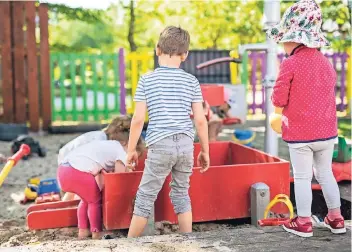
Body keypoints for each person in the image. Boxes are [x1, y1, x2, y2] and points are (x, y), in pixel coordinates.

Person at [267, 0, 346, 238]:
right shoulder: (326, 64)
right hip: (327, 133)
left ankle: (303, 222)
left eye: (284, 38)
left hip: (301, 135)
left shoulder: (290, 64)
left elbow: (279, 98)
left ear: (296, 38)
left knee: (302, 176)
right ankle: (336, 218)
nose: (281, 44)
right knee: (325, 174)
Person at [126, 26, 210, 238]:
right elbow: (200, 120)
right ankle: (188, 242)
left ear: (157, 49)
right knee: (182, 193)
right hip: (185, 144)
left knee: (145, 196)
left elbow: (137, 120)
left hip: (160, 144)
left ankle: (129, 245)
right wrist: (205, 151)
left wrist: (131, 150)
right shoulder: (192, 81)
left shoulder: (146, 80)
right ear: (185, 55)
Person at [57, 116, 145, 239]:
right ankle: (96, 232)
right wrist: (128, 170)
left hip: (64, 169)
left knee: (85, 201)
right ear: (127, 144)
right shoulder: (121, 151)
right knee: (95, 201)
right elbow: (119, 177)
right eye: (134, 154)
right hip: (77, 171)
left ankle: (83, 231)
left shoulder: (109, 145)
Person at [58, 116, 129, 201]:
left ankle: (68, 205)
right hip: (70, 161)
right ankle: (69, 206)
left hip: (69, 160)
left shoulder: (102, 136)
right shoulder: (102, 139)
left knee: (74, 190)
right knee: (80, 190)